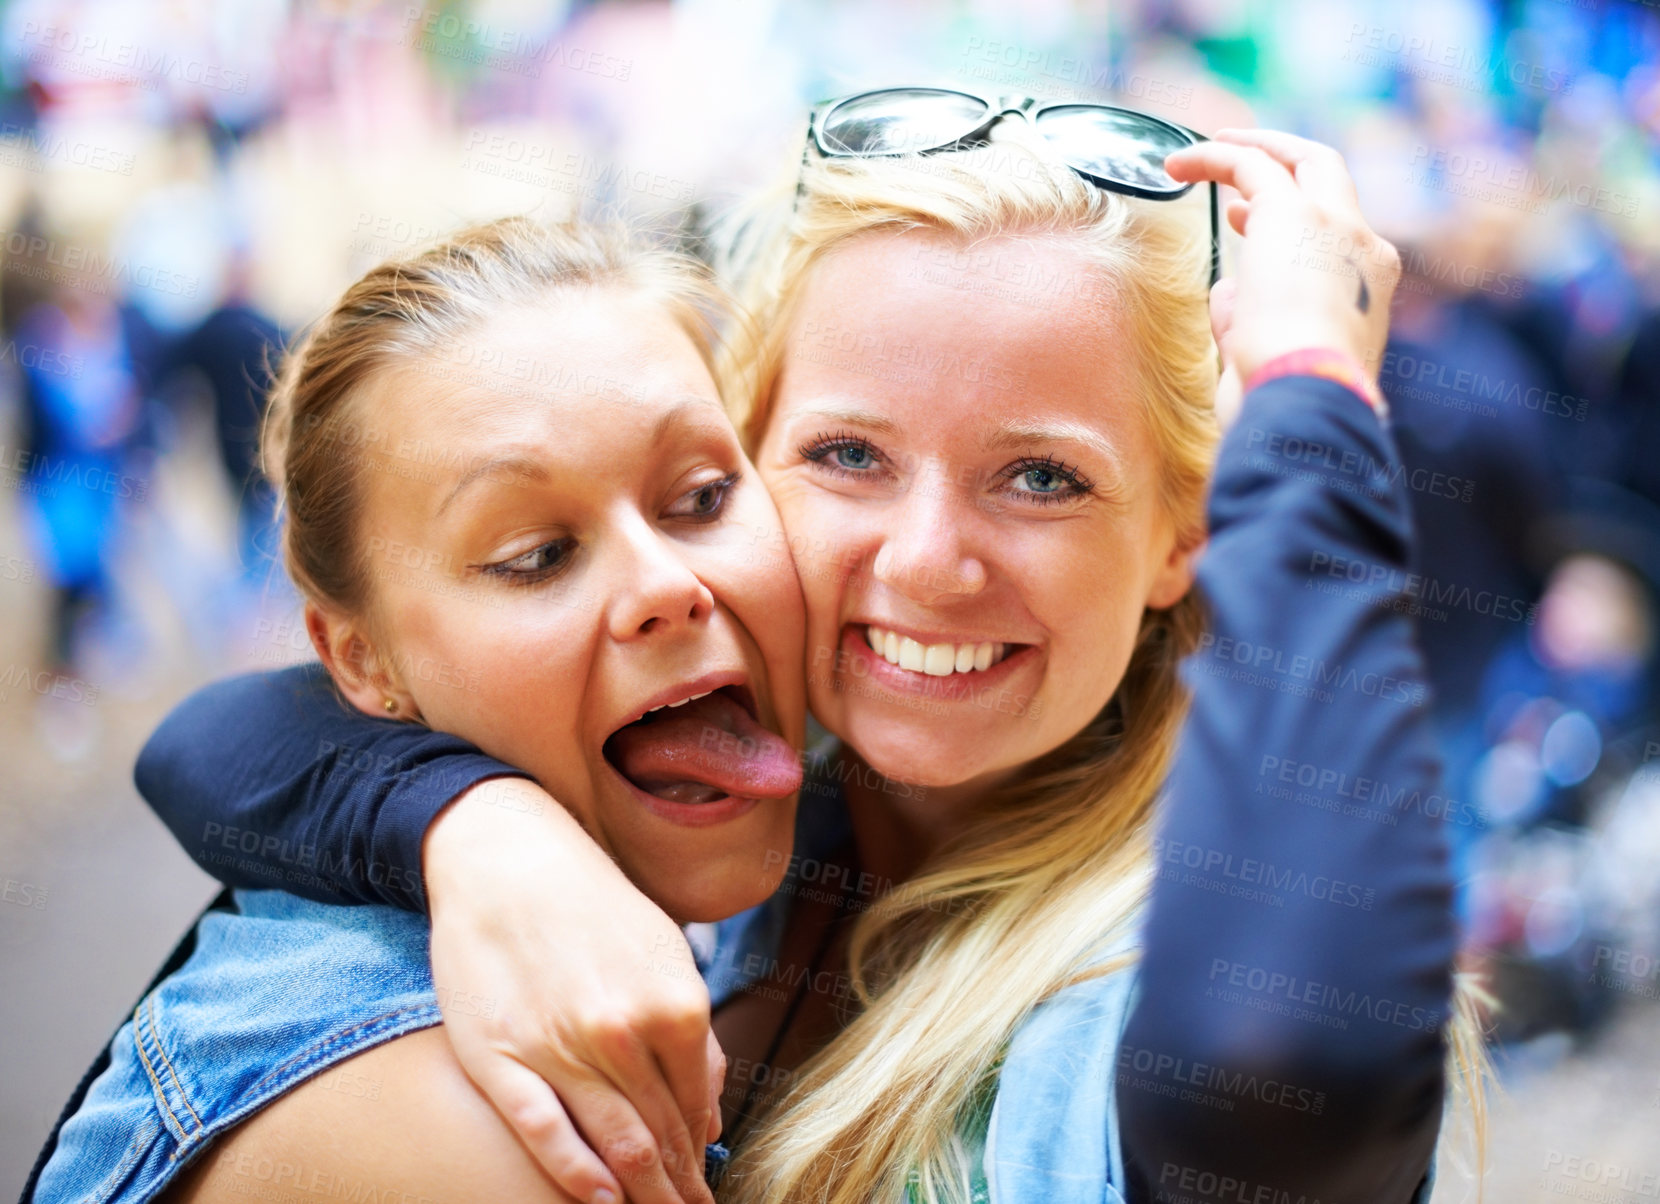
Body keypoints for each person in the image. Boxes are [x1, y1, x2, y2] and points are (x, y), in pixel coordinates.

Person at [35, 98, 1478, 1204]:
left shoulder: (1149, 990)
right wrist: (469, 829)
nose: (927, 559)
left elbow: (1306, 1064)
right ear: (754, 450)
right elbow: (224, 743)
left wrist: (1311, 396)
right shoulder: (732, 832)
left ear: (1186, 530)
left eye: (1042, 476)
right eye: (846, 454)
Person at [26, 216, 808, 1204]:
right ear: (362, 661)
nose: (665, 583)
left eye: (699, 496)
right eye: (537, 555)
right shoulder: (490, 1136)